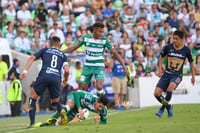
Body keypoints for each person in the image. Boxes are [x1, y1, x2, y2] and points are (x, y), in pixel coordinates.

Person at [62, 22, 128, 96]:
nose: (101, 34)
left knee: (99, 87)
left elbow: (115, 53)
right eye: (100, 31)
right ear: (94, 30)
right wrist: (61, 51)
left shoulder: (105, 40)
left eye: (102, 32)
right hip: (88, 67)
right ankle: (83, 105)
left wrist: (124, 66)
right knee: (82, 88)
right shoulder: (86, 38)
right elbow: (73, 48)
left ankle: (102, 101)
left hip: (99, 67)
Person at [20, 36, 69, 127]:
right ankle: (61, 110)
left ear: (50, 44)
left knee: (33, 98)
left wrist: (25, 71)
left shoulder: (45, 50)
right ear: (59, 45)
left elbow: (32, 58)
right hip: (56, 78)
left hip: (44, 75)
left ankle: (32, 123)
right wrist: (65, 80)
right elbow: (67, 70)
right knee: (55, 101)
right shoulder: (63, 55)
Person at [154, 30, 195, 118]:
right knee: (156, 94)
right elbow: (161, 56)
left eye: (176, 39)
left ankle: (161, 109)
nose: (174, 40)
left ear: (182, 39)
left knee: (169, 89)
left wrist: (193, 76)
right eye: (174, 38)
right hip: (166, 74)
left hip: (177, 75)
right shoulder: (168, 47)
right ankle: (169, 107)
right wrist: (160, 68)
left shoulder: (186, 50)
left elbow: (191, 63)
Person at [35, 90, 108, 127]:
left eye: (102, 107)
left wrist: (99, 123)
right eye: (100, 106)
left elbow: (104, 121)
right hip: (74, 97)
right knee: (71, 105)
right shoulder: (90, 97)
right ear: (96, 101)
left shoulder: (103, 110)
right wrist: (79, 108)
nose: (100, 109)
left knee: (61, 123)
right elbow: (76, 94)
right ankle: (57, 114)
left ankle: (43, 125)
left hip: (76, 109)